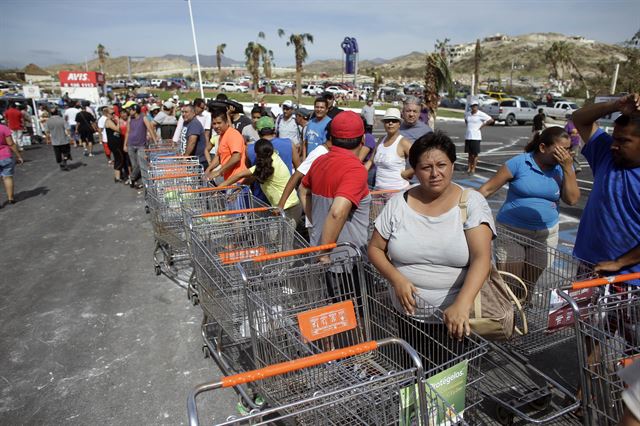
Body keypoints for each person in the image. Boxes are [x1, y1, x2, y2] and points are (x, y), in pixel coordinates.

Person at [368, 130, 495, 340]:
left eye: (442, 165)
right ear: (415, 171)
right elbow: (375, 248)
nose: (435, 173)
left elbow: (482, 258)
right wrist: (396, 279)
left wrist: (461, 304)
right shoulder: (398, 203)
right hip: (407, 314)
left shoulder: (471, 202)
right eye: (426, 167)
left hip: (455, 319)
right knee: (415, 367)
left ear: (453, 165)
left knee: (450, 371)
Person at [478, 126, 580, 284]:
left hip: (544, 235)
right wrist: (464, 206)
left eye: (568, 150)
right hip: (512, 233)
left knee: (528, 285)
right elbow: (487, 189)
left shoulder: (563, 168)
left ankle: (524, 308)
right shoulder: (520, 163)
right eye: (560, 150)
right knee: (511, 286)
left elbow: (572, 199)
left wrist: (568, 168)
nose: (565, 155)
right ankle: (511, 309)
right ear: (543, 147)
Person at [571, 93, 640, 280]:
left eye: (623, 141)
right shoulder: (605, 155)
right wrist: (616, 105)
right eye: (614, 138)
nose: (613, 145)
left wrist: (619, 263)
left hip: (628, 279)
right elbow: (578, 118)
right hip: (590, 267)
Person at [301, 111, 370, 254]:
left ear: (331, 137)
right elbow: (337, 212)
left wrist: (315, 221)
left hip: (316, 246)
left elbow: (302, 190)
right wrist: (325, 253)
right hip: (345, 260)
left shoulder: (320, 160)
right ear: (362, 139)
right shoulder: (356, 169)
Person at [219, 138, 302, 224]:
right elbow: (253, 178)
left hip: (290, 208)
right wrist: (238, 189)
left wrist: (219, 187)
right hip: (283, 208)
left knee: (284, 237)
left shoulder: (272, 165)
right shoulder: (272, 159)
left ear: (257, 154)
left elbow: (240, 175)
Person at [365, 108, 413, 191]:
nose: (390, 123)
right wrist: (357, 174)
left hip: (398, 192)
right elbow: (370, 161)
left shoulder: (404, 142)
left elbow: (422, 161)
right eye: (387, 121)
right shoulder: (380, 141)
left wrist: (407, 173)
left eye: (394, 121)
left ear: (399, 124)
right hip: (378, 193)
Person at [206, 107, 247, 181]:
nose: (216, 126)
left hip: (238, 180)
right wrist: (209, 169)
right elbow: (219, 157)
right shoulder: (221, 136)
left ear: (227, 122)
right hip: (228, 180)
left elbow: (236, 157)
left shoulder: (233, 134)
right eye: (214, 124)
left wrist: (219, 171)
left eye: (219, 123)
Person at [123, 100, 157, 189]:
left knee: (141, 164)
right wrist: (125, 144)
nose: (129, 112)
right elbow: (127, 132)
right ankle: (138, 182)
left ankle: (132, 178)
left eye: (130, 110)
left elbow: (150, 129)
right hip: (131, 144)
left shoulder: (143, 118)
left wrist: (155, 141)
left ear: (135, 110)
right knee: (134, 165)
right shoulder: (130, 119)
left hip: (141, 145)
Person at [464, 101, 494, 175]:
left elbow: (491, 120)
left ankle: (473, 168)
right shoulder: (468, 114)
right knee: (469, 154)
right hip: (468, 136)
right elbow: (466, 120)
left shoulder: (480, 114)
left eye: (475, 106)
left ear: (477, 106)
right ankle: (469, 168)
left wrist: (482, 126)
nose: (474, 107)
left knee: (475, 154)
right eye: (473, 106)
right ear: (471, 107)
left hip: (476, 137)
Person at [0, 115, 24, 205]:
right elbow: (10, 143)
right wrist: (18, 156)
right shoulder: (4, 128)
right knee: (7, 177)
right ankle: (10, 198)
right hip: (5, 155)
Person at [179, 104, 208, 170]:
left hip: (198, 161)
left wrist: (185, 157)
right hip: (190, 161)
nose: (183, 114)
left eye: (186, 112)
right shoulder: (186, 122)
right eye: (182, 112)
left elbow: (192, 142)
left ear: (193, 113)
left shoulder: (194, 123)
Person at [102, 107, 127, 183]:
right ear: (106, 114)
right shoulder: (108, 121)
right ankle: (117, 177)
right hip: (114, 143)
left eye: (114, 113)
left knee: (119, 158)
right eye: (111, 113)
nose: (114, 115)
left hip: (116, 142)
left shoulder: (112, 120)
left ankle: (120, 176)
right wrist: (119, 121)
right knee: (119, 159)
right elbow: (117, 129)